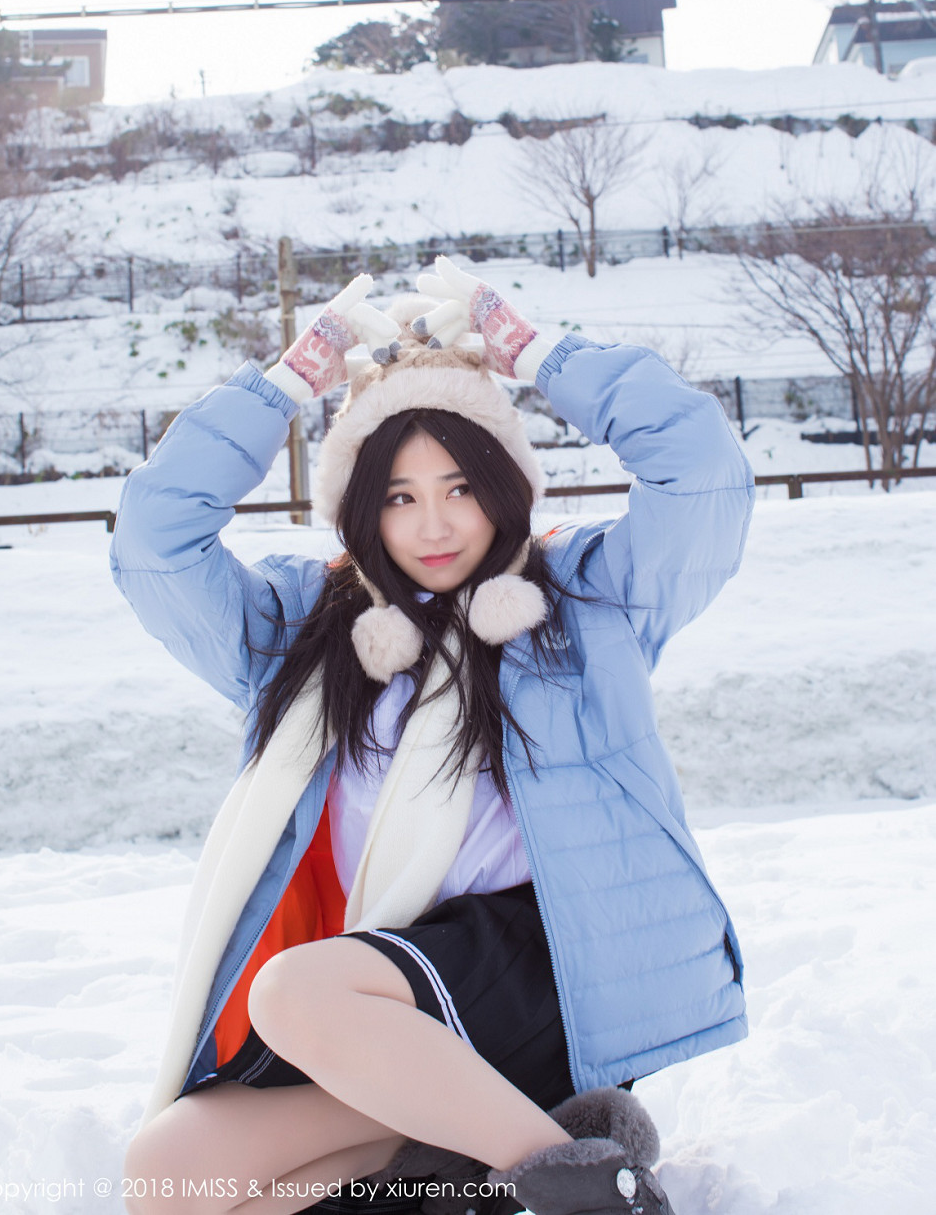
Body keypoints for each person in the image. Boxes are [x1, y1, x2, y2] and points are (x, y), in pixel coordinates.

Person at [110, 258, 754, 1215]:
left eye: (460, 486)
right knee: (167, 1176)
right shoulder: (298, 631)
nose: (435, 523)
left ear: (504, 486)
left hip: (541, 965)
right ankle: (521, 1160)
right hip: (380, 999)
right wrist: (283, 387)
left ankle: (589, 1195)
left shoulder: (584, 606)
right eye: (399, 496)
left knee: (292, 994)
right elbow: (153, 544)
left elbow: (703, 474)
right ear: (360, 509)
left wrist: (544, 356)